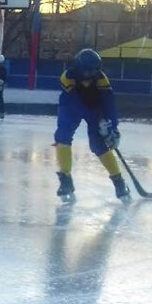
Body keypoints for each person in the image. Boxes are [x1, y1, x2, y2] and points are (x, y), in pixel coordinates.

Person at [53, 48, 130, 201]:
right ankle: (66, 180)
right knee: (63, 137)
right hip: (71, 108)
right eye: (86, 71)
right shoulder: (67, 77)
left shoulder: (101, 79)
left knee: (99, 145)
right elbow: (73, 101)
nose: (88, 75)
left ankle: (119, 183)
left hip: (94, 109)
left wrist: (112, 128)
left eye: (92, 71)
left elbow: (109, 104)